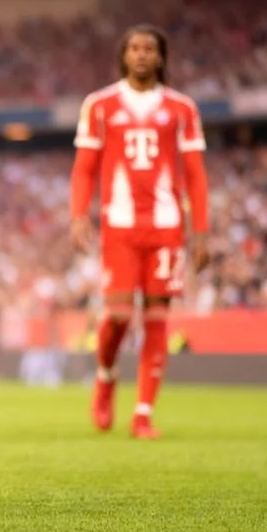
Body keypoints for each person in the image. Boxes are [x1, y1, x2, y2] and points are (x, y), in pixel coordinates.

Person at [69, 24, 210, 439]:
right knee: (115, 315)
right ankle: (106, 375)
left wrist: (199, 231)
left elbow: (196, 175)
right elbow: (84, 168)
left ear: (161, 56)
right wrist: (79, 215)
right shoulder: (99, 105)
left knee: (156, 319)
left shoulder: (182, 109)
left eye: (149, 48)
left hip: (166, 227)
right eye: (134, 48)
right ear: (124, 55)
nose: (142, 55)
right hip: (120, 226)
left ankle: (143, 414)